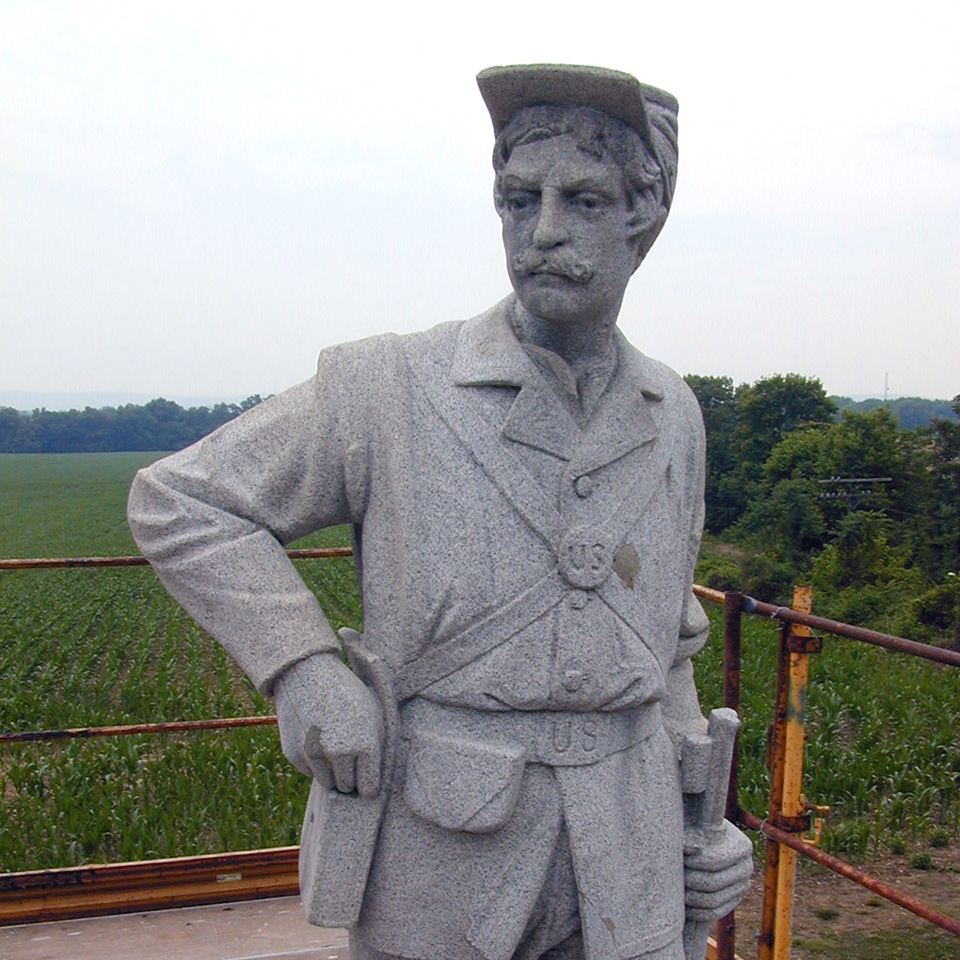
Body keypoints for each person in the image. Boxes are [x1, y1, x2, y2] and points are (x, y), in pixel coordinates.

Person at [128, 64, 752, 960]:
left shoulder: (673, 414)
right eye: (516, 200)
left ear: (640, 219)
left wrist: (705, 823)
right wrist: (302, 667)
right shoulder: (388, 386)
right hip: (442, 853)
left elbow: (672, 646)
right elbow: (182, 499)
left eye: (581, 200)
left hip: (633, 853)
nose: (541, 232)